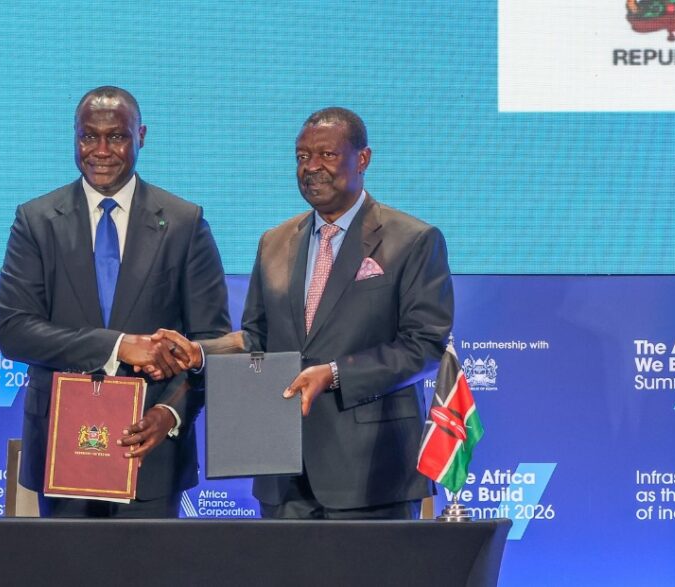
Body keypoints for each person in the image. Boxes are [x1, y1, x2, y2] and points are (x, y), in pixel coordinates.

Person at [157, 107, 453, 519]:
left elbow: (425, 347)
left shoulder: (413, 240)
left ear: (363, 159)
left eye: (327, 155)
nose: (312, 167)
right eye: (301, 157)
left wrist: (334, 374)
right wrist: (201, 353)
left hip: (370, 475)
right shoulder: (275, 242)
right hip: (282, 473)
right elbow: (257, 338)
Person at [0, 86, 230, 518]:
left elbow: (209, 347)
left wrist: (170, 415)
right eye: (88, 136)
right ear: (74, 137)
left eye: (117, 136)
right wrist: (118, 345)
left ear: (141, 135)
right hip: (62, 451)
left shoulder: (183, 223)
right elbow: (14, 331)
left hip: (151, 454)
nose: (101, 150)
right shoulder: (36, 221)